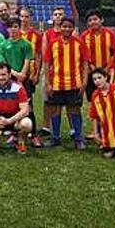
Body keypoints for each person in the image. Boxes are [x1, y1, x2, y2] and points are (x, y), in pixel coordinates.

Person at [43, 17, 89, 149]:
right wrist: (47, 82)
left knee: (74, 110)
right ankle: (55, 138)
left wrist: (85, 80)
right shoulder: (53, 43)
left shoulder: (79, 43)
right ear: (60, 27)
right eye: (64, 26)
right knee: (55, 111)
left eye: (69, 27)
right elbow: (47, 63)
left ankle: (79, 138)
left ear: (73, 28)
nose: (67, 29)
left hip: (75, 84)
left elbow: (85, 62)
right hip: (57, 83)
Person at [3, 18, 40, 147]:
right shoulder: (3, 44)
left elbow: (28, 60)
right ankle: (14, 134)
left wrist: (22, 75)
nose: (12, 29)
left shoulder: (26, 44)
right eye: (10, 27)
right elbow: (4, 64)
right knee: (13, 107)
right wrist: (15, 74)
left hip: (25, 81)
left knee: (29, 108)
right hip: (10, 80)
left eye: (15, 26)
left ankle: (34, 135)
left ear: (19, 28)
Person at [80, 10, 115, 102]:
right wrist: (91, 66)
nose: (93, 22)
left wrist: (107, 68)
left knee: (108, 99)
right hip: (91, 73)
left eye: (95, 19)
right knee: (94, 100)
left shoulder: (110, 34)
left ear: (101, 20)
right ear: (87, 23)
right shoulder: (84, 36)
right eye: (90, 20)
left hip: (107, 72)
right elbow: (83, 55)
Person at [39, 5, 66, 136]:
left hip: (65, 71)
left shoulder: (70, 32)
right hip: (50, 71)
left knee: (62, 102)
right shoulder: (48, 34)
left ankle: (60, 129)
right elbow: (44, 55)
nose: (58, 16)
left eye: (60, 14)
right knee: (47, 99)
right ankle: (46, 126)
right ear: (52, 17)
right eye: (55, 14)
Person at [18, 7, 43, 146]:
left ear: (30, 18)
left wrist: (37, 73)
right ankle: (17, 133)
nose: (24, 19)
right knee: (15, 104)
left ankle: (33, 134)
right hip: (16, 75)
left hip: (29, 74)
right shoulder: (14, 33)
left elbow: (38, 55)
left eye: (26, 17)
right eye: (22, 16)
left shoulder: (36, 35)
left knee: (29, 104)